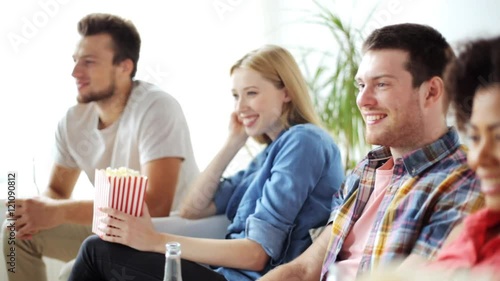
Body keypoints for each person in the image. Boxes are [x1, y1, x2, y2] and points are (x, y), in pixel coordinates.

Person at [67, 44, 345, 281]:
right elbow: (192, 209)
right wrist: (232, 143)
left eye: (251, 93)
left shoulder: (304, 142)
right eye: (236, 96)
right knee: (99, 248)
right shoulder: (268, 155)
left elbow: (256, 255)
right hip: (224, 273)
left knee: (96, 252)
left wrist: (153, 240)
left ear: (286, 92)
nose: (240, 107)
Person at [259, 23, 484, 281]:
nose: (362, 100)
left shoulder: (464, 182)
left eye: (381, 85)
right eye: (360, 85)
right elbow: (303, 270)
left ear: (430, 92)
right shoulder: (366, 169)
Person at [3, 13, 199, 281]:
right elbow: (58, 191)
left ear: (124, 67)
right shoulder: (73, 120)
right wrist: (39, 213)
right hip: (110, 228)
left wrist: (59, 212)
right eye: (75, 61)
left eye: (89, 62)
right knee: (14, 233)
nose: (75, 72)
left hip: (160, 233)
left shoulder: (157, 108)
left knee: (71, 272)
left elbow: (156, 204)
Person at [359, 35, 500, 281]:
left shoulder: (461, 186)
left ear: (431, 92)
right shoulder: (477, 228)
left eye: (498, 137)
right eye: (475, 138)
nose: (478, 158)